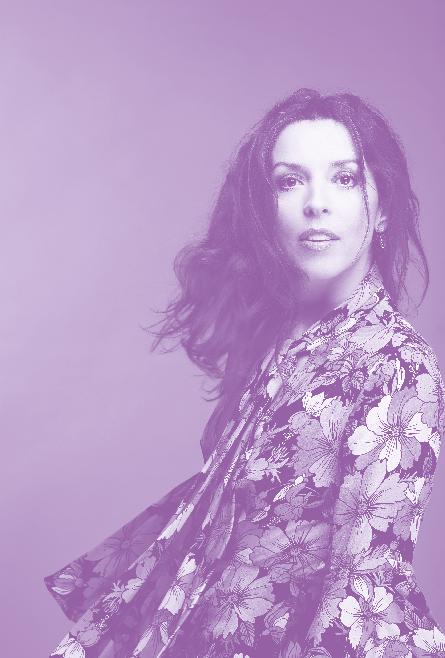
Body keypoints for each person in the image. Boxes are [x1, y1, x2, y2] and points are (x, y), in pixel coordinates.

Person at [44, 88, 445, 658]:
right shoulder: (275, 344)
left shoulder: (397, 367)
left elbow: (363, 594)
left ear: (382, 210)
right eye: (290, 181)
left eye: (345, 178)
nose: (316, 203)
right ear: (265, 211)